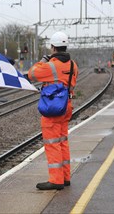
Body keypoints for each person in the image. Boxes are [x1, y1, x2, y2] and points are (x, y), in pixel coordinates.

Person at [28, 31, 78, 190]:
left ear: (53, 48)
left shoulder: (50, 66)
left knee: (52, 144)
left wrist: (43, 61)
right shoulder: (73, 65)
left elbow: (32, 74)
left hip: (52, 109)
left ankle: (56, 180)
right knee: (62, 142)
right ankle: (65, 177)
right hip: (66, 107)